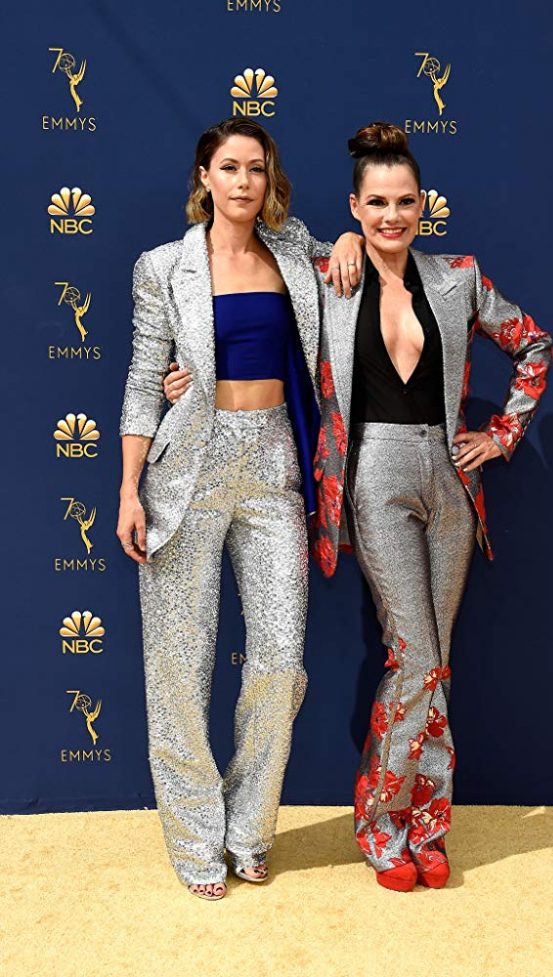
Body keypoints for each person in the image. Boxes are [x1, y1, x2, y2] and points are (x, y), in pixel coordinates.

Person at [116, 117, 362, 900]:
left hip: (273, 465)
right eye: (229, 167)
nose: (244, 182)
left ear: (269, 179)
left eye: (257, 168)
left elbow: (347, 265)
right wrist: (127, 489)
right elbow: (140, 378)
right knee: (180, 669)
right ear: (204, 177)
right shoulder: (162, 266)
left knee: (281, 658)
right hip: (185, 466)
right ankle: (195, 839)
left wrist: (352, 242)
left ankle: (250, 825)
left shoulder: (294, 251)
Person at [309, 122, 553, 891]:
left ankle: (429, 824)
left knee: (432, 661)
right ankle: (381, 822)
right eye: (375, 203)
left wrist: (503, 433)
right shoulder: (326, 275)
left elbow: (535, 344)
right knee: (413, 652)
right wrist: (336, 243)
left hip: (451, 476)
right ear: (355, 205)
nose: (391, 215)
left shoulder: (458, 277)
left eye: (404, 201)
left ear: (423, 206)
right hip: (373, 470)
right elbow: (259, 219)